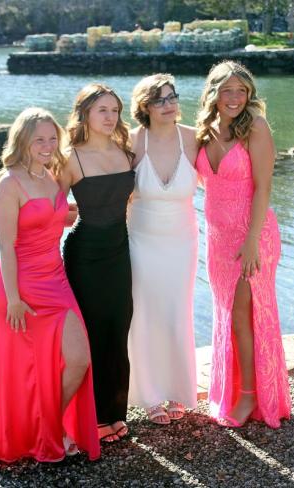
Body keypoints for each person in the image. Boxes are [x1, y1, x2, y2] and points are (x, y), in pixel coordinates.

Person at [0, 108, 100, 463]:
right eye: (39, 139)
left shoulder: (51, 176)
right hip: (19, 285)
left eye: (52, 138)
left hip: (55, 278)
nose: (48, 145)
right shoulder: (10, 183)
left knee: (78, 360)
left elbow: (46, 221)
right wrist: (15, 300)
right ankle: (40, 432)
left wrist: (66, 215)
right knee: (28, 368)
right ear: (23, 141)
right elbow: (5, 245)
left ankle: (45, 426)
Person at [196, 61, 291, 428]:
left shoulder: (256, 127)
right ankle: (234, 389)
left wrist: (251, 241)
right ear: (213, 93)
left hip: (254, 235)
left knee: (241, 312)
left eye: (241, 91)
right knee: (229, 314)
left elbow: (264, 188)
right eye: (226, 90)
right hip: (218, 241)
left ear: (249, 95)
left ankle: (251, 396)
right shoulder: (204, 130)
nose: (234, 98)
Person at [57, 84, 135, 443]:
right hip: (84, 254)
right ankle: (92, 417)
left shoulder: (125, 150)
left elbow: (127, 201)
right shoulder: (70, 157)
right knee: (91, 333)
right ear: (85, 112)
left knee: (117, 329)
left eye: (115, 110)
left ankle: (114, 410)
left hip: (119, 251)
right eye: (102, 110)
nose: (110, 117)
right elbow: (50, 208)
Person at [127, 74, 199, 424]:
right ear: (145, 107)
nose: (169, 105)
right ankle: (149, 396)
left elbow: (227, 174)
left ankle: (179, 390)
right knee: (144, 314)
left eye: (172, 97)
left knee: (176, 312)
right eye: (159, 100)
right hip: (142, 240)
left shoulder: (195, 139)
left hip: (183, 241)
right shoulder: (132, 142)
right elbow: (112, 189)